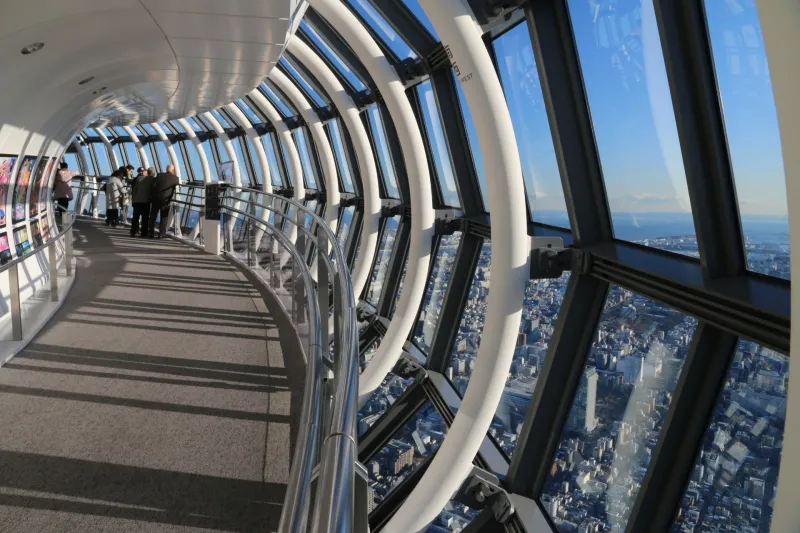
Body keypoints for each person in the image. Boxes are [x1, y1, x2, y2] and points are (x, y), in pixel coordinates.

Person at [149, 164, 180, 238]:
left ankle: (151, 233)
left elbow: (154, 185)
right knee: (164, 217)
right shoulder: (175, 179)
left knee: (153, 216)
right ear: (173, 170)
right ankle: (161, 234)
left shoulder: (159, 175)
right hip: (166, 200)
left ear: (166, 169)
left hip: (156, 198)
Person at [130, 167, 154, 237]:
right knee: (145, 218)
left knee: (135, 217)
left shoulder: (138, 179)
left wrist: (133, 201)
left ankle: (133, 231)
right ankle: (144, 233)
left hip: (137, 201)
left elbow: (134, 191)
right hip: (146, 201)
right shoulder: (151, 179)